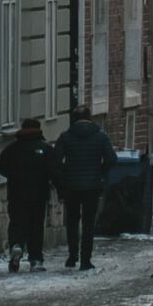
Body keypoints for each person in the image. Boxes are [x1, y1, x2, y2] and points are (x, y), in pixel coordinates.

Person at [54, 105, 117, 271]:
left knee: (72, 221)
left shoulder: (65, 137)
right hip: (92, 186)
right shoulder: (100, 136)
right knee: (88, 223)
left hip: (71, 186)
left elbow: (56, 161)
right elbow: (111, 158)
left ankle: (72, 256)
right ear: (90, 118)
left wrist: (65, 176)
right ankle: (85, 260)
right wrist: (100, 171)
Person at [0, 115, 54, 273]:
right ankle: (35, 259)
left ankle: (16, 246)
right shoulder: (45, 148)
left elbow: (0, 166)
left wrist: (12, 176)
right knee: (36, 226)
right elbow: (53, 169)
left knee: (17, 222)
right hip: (39, 194)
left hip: (16, 193)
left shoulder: (12, 149)